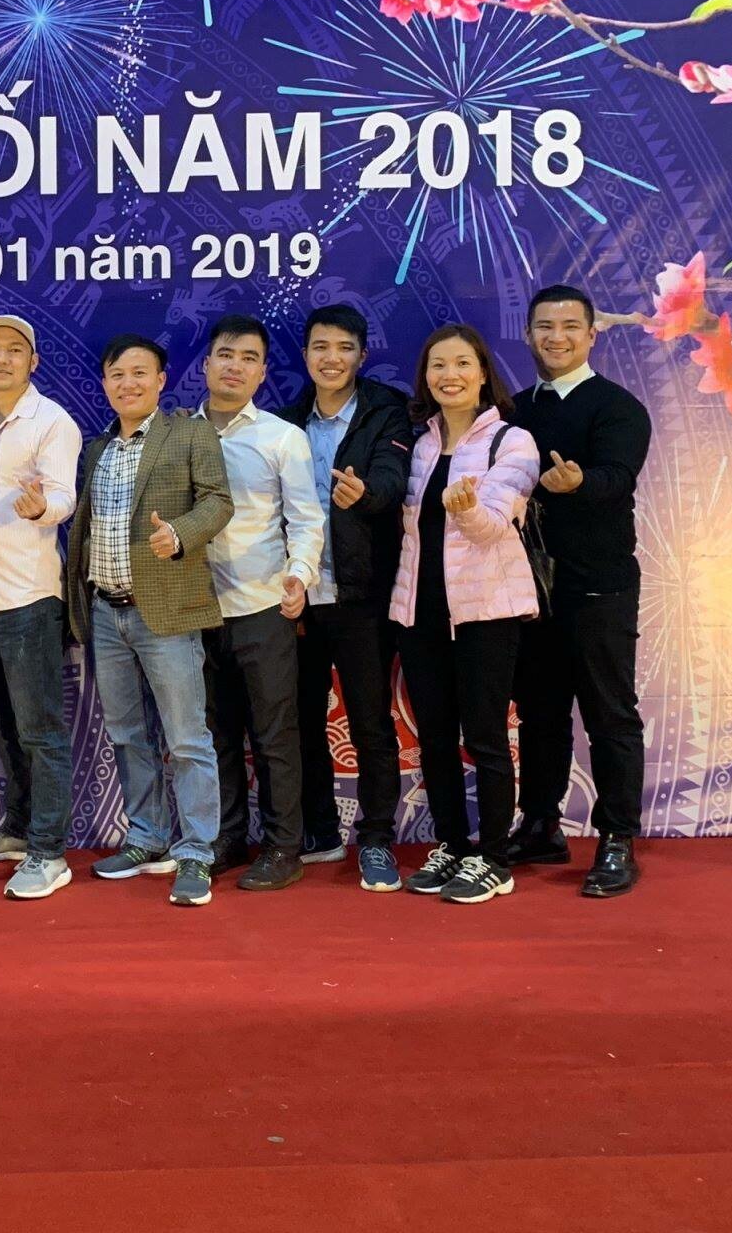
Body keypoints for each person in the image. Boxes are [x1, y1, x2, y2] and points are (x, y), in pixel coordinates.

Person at [66, 335, 233, 908]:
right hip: (105, 613)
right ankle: (146, 835)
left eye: (140, 373)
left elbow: (218, 501)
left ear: (161, 380)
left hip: (167, 611)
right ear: (105, 384)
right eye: (117, 374)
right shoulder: (97, 449)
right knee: (126, 733)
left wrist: (180, 534)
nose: (128, 383)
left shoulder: (190, 433)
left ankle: (197, 850)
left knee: (186, 739)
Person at [505, 285, 652, 898]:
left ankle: (617, 838)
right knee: (539, 713)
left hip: (598, 587)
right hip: (528, 589)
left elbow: (618, 477)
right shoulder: (512, 409)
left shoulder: (618, 407)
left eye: (570, 326)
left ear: (593, 334)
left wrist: (579, 482)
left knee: (609, 714)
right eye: (545, 326)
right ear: (529, 335)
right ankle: (541, 824)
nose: (556, 337)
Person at [389, 324, 541, 905]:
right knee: (434, 739)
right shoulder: (420, 446)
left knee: (485, 737)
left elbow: (493, 527)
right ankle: (452, 845)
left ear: (482, 374)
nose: (448, 375)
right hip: (420, 613)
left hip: (485, 614)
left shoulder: (513, 442)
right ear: (425, 377)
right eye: (437, 365)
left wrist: (468, 508)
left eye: (461, 364)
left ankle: (495, 858)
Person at [275, 303, 412, 893]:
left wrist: (366, 493)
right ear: (306, 355)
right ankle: (321, 832)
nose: (331, 359)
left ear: (361, 355)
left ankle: (376, 838)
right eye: (320, 347)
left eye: (344, 347)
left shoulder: (386, 410)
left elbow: (394, 476)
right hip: (297, 595)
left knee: (369, 721)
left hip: (361, 593)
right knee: (301, 720)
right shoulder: (285, 422)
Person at [193, 315, 324, 893]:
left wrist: (299, 576)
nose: (235, 366)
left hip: (264, 607)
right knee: (214, 734)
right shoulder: (176, 434)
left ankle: (282, 846)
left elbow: (307, 519)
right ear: (206, 364)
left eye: (249, 358)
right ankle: (227, 838)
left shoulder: (281, 437)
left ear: (263, 372)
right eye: (226, 354)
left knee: (274, 736)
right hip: (195, 611)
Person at [0, 315, 82, 902]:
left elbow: (63, 496)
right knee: (0, 721)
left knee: (40, 730)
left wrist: (40, 509)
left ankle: (50, 852)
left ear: (33, 362)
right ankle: (19, 828)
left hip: (28, 597)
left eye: (14, 350)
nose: (2, 358)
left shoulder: (52, 421)